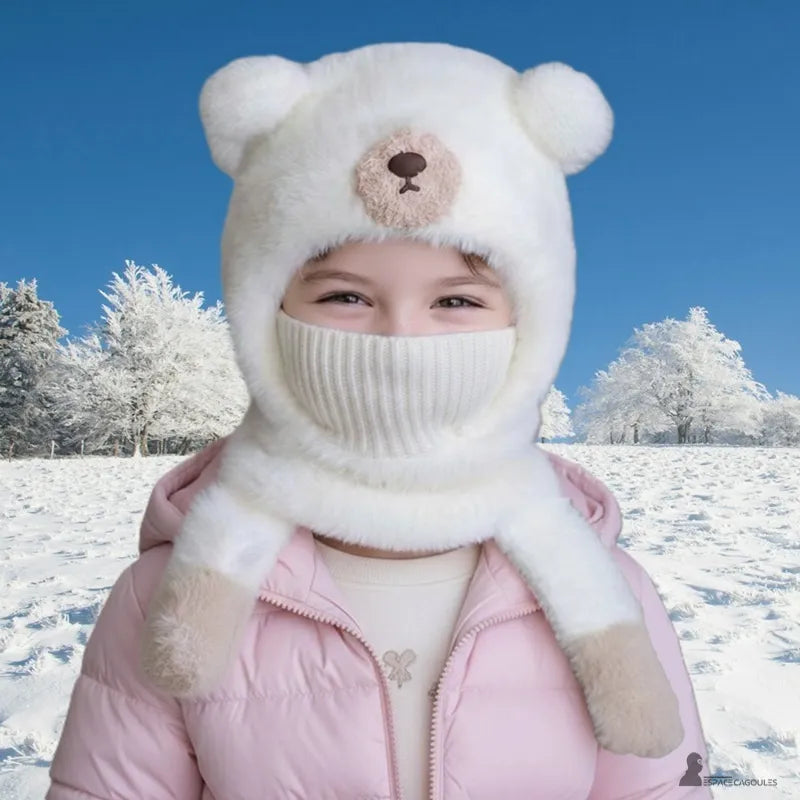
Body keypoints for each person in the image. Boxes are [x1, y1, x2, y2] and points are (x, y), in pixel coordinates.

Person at [47, 42, 712, 799]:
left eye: (456, 301)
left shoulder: (610, 587)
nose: (402, 341)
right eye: (345, 297)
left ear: (537, 324)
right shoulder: (160, 597)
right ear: (263, 314)